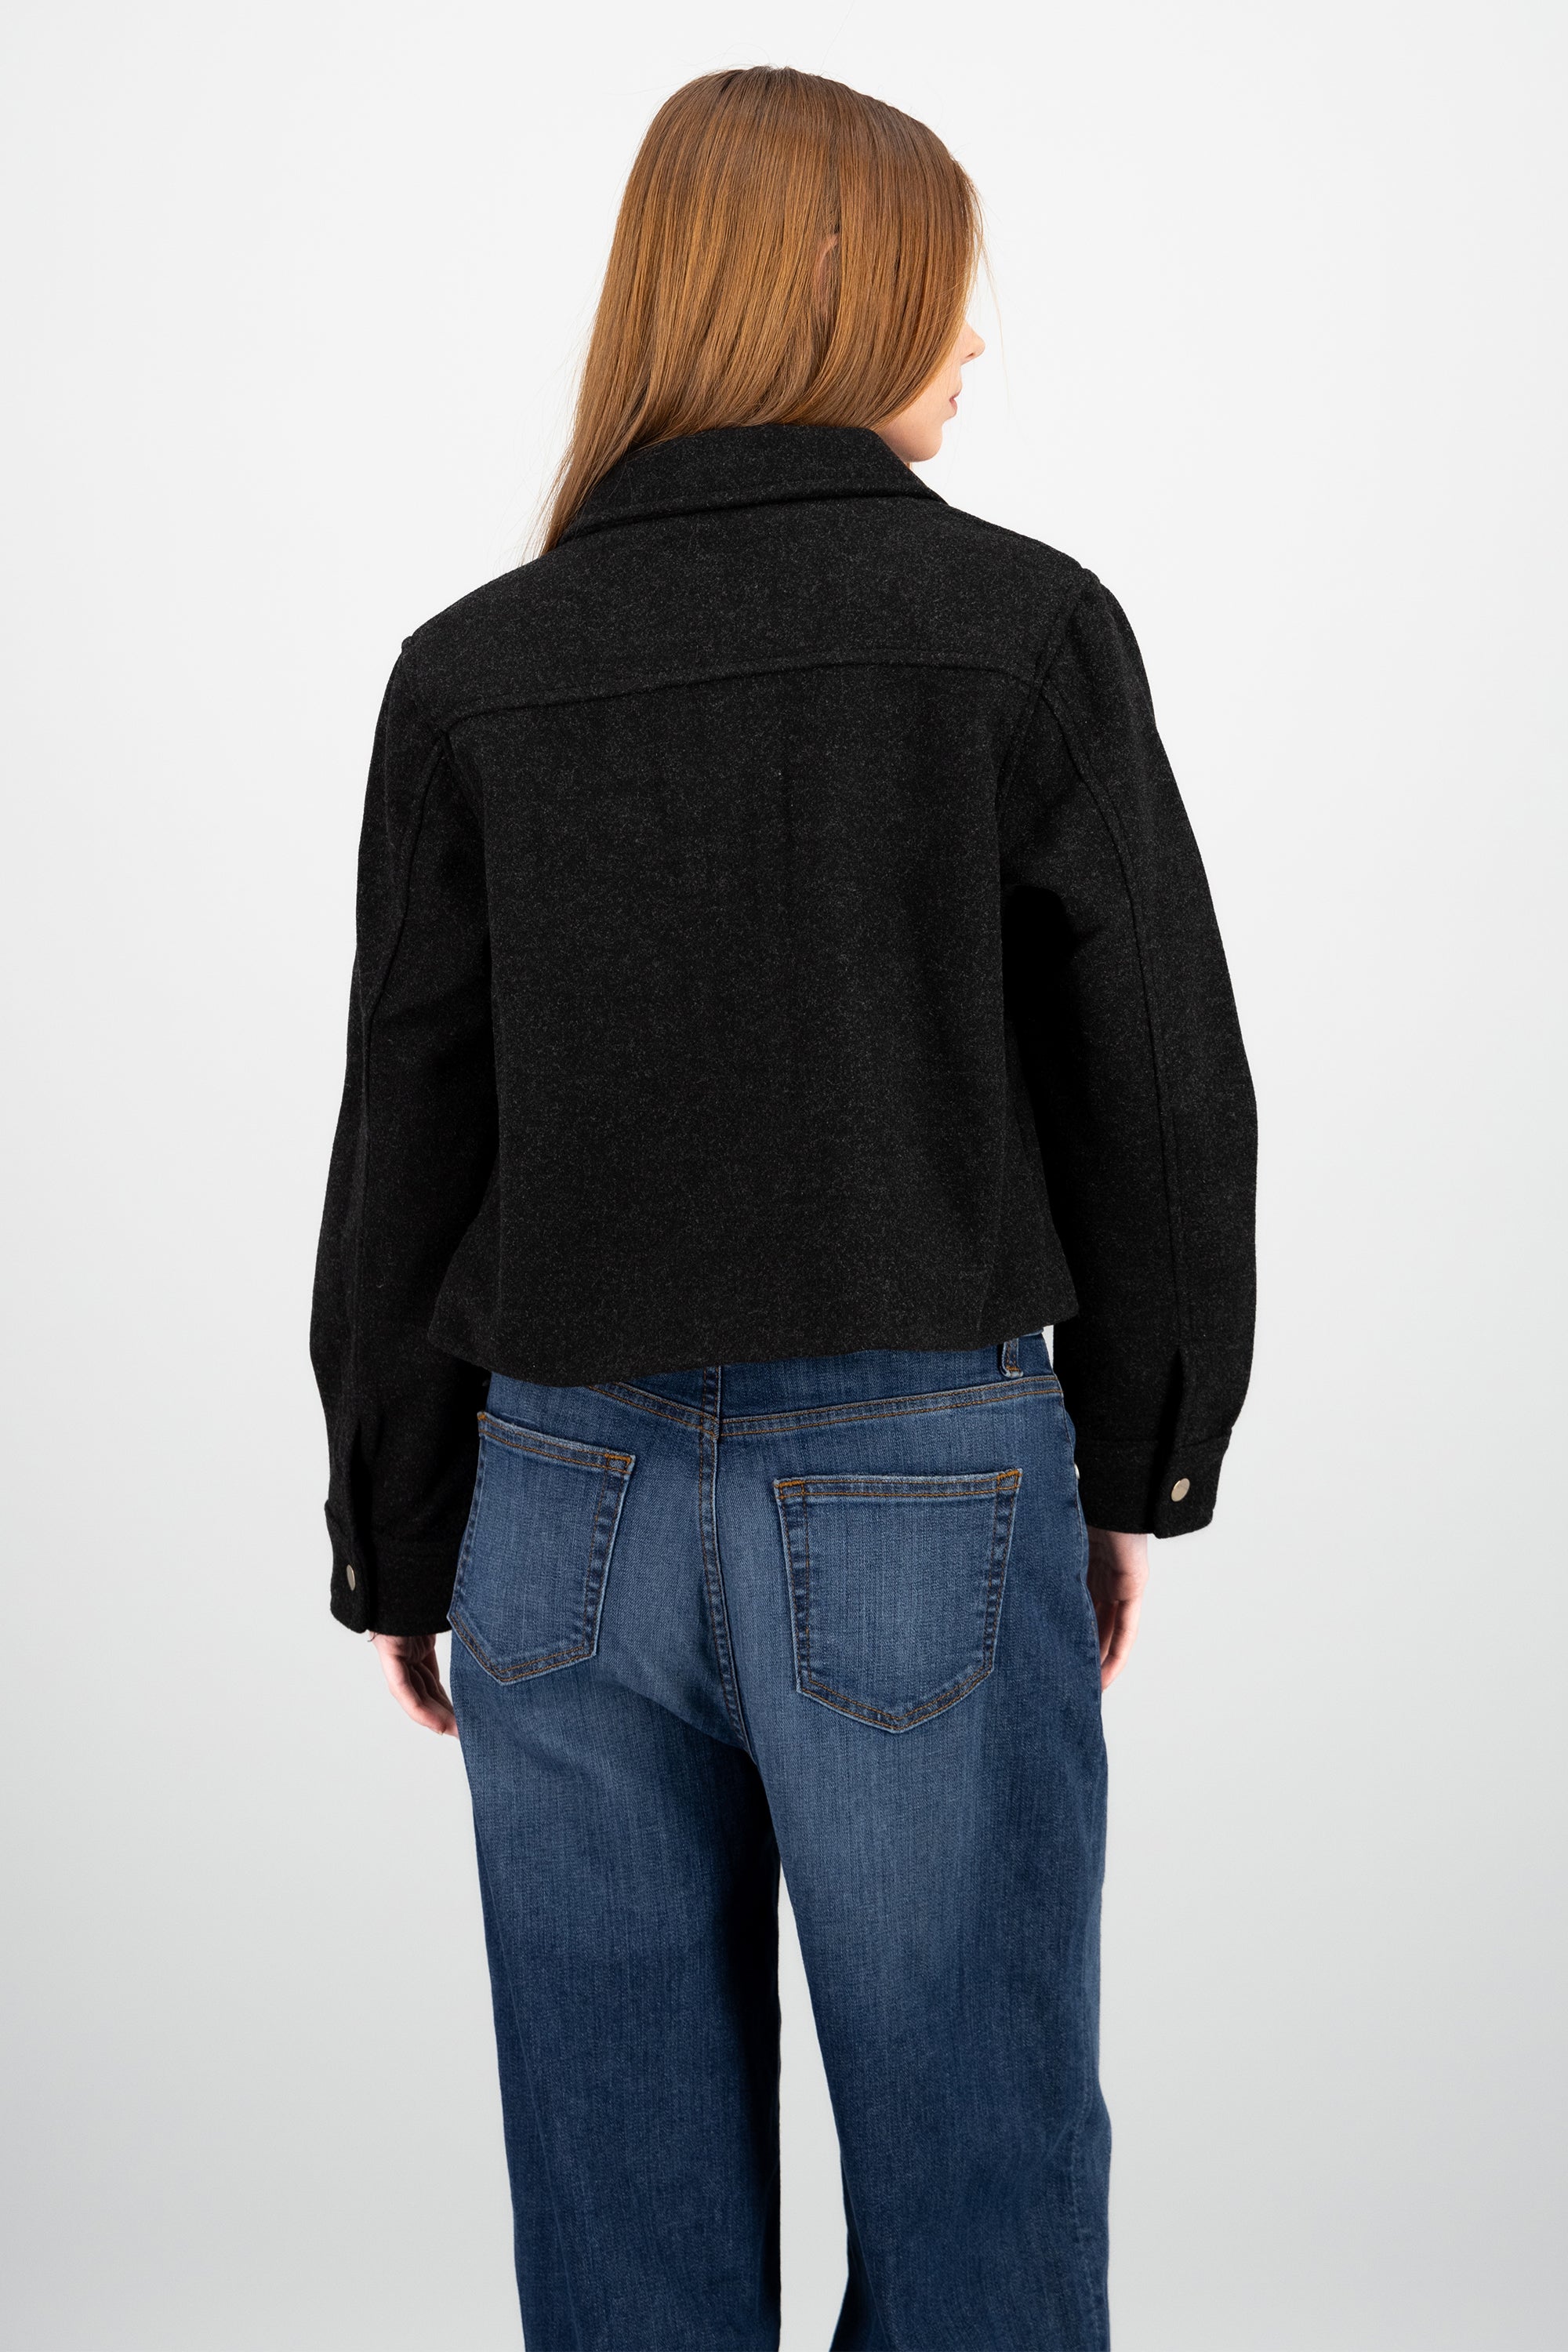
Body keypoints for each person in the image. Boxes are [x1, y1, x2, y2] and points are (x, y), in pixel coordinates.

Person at [310, 64, 1256, 2352]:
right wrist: (1139, 1450)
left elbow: (406, 1130)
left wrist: (401, 1531)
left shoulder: (476, 672)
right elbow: (1157, 1088)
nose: (978, 337)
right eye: (946, 284)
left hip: (558, 1513)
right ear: (834, 284)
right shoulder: (1020, 633)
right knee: (977, 2202)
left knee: (620, 2231)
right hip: (924, 1489)